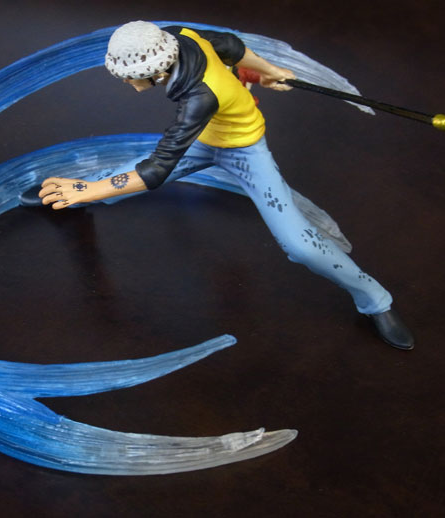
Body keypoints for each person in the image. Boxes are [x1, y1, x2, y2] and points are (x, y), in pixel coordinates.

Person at [28, 21, 414, 350]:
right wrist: (268, 70)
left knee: (301, 246)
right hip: (205, 140)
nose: (127, 82)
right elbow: (230, 45)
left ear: (156, 70)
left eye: (129, 76)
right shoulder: (179, 36)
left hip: (246, 153)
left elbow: (156, 171)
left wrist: (89, 190)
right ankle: (73, 196)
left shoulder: (200, 95)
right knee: (120, 174)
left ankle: (375, 300)